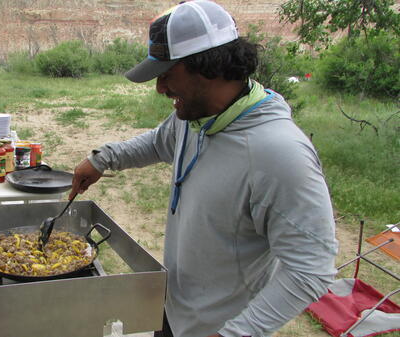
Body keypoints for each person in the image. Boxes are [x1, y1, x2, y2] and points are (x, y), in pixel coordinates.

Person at [69, 1, 338, 336]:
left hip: (219, 327)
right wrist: (102, 158)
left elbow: (310, 269)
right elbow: (159, 142)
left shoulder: (278, 153)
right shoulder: (196, 115)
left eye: (167, 75)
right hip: (170, 309)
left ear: (208, 66)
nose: (160, 88)